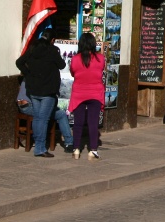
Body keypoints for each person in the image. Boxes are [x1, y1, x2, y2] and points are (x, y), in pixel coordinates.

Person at [15, 28, 65, 158]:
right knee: (43, 119)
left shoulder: (32, 48)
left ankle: (38, 146)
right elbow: (62, 65)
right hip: (47, 91)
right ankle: (40, 148)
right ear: (52, 40)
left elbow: (19, 62)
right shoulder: (52, 50)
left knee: (38, 118)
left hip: (33, 90)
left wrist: (29, 74)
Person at [69, 32, 105, 161]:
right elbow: (101, 70)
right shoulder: (101, 58)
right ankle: (93, 150)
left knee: (78, 123)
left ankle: (76, 149)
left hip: (79, 93)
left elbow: (73, 73)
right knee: (93, 123)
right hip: (95, 93)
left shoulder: (75, 59)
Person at [17, 79, 74, 152]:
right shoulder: (43, 79)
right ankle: (69, 142)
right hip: (29, 106)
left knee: (52, 110)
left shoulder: (30, 75)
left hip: (22, 105)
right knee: (61, 114)